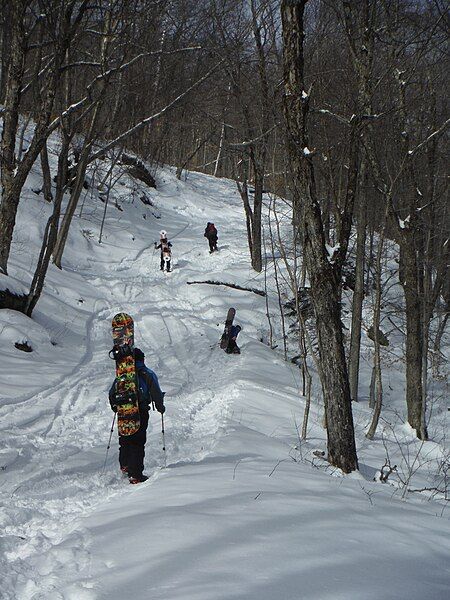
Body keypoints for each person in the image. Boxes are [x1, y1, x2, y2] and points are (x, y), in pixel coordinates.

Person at [109, 348, 165, 484]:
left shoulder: (122, 374)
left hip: (123, 411)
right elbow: (156, 392)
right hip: (140, 410)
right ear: (142, 359)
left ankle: (125, 464)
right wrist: (160, 407)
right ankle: (136, 475)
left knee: (125, 438)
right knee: (137, 442)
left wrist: (116, 407)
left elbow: (112, 393)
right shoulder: (147, 373)